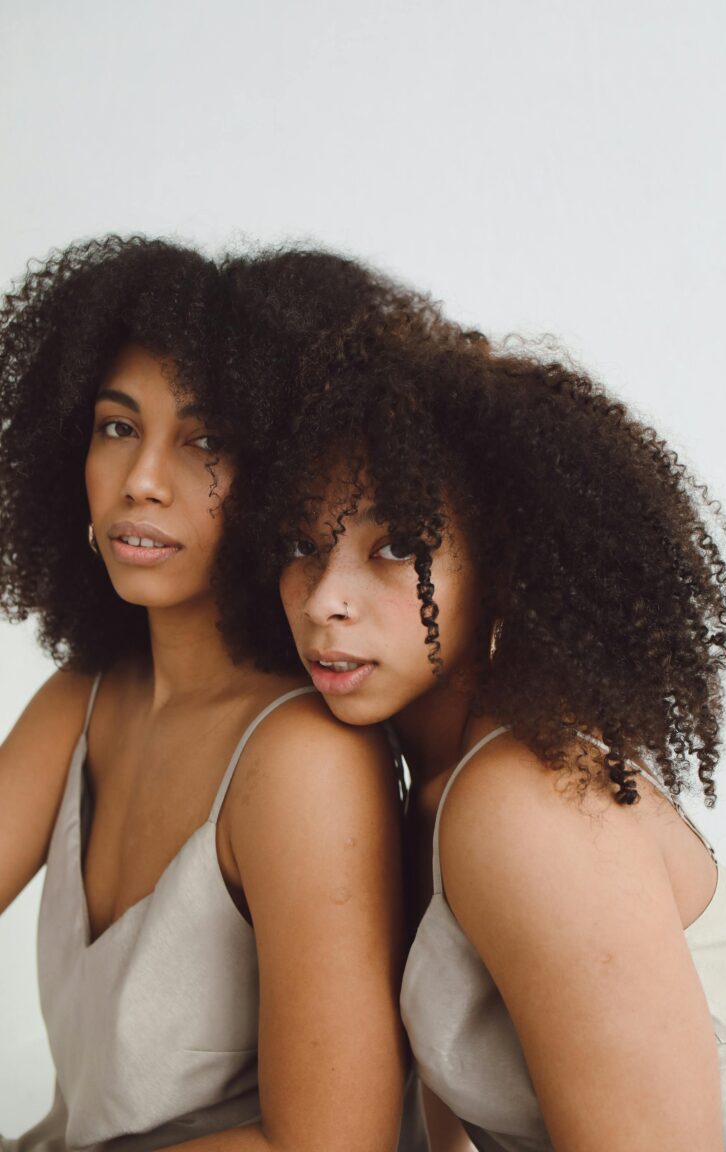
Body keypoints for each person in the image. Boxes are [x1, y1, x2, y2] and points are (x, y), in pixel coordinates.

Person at [244, 251, 726, 1151]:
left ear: (505, 571)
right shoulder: (426, 788)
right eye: (302, 542)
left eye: (395, 546)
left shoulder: (526, 803)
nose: (324, 597)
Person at [0, 238, 423, 1152]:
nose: (142, 480)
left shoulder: (302, 760)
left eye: (206, 443)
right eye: (117, 427)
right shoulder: (85, 699)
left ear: (283, 479)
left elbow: (330, 1146)